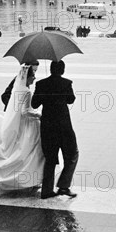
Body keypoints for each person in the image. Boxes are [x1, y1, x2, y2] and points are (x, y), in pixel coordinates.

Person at [31, 60, 78, 199]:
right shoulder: (67, 83)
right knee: (72, 154)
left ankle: (46, 190)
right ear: (62, 70)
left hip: (48, 127)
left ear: (51, 69)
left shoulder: (41, 84)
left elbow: (34, 104)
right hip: (64, 126)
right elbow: (71, 100)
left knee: (50, 158)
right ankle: (64, 186)